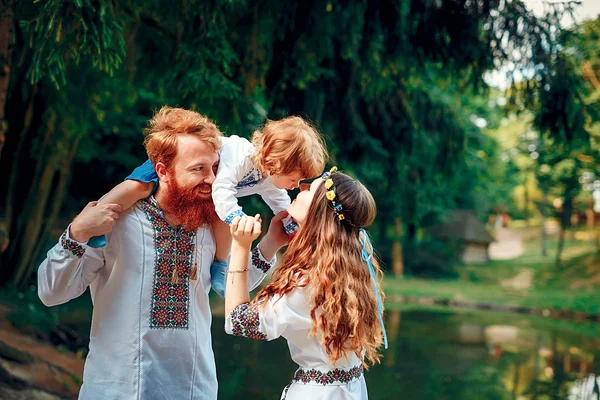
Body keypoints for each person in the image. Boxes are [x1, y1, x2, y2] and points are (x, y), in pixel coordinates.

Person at [37, 107, 289, 399]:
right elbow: (51, 293)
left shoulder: (212, 224)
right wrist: (78, 233)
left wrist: (271, 243)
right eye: (198, 169)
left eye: (215, 169)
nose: (212, 179)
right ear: (162, 170)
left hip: (193, 389)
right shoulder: (116, 222)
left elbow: (232, 288)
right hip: (118, 389)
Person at [88, 115, 328, 298]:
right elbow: (222, 189)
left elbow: (280, 205)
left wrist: (297, 228)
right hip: (181, 164)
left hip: (207, 190)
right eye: (295, 179)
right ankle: (100, 215)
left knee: (218, 215)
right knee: (138, 187)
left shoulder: (267, 178)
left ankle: (220, 265)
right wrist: (237, 217)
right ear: (276, 162)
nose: (296, 186)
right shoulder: (241, 157)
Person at [224, 167, 387, 400]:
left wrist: (241, 246)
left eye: (310, 188)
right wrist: (270, 243)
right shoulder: (355, 268)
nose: (301, 187)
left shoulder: (306, 281)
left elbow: (238, 321)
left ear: (318, 212)